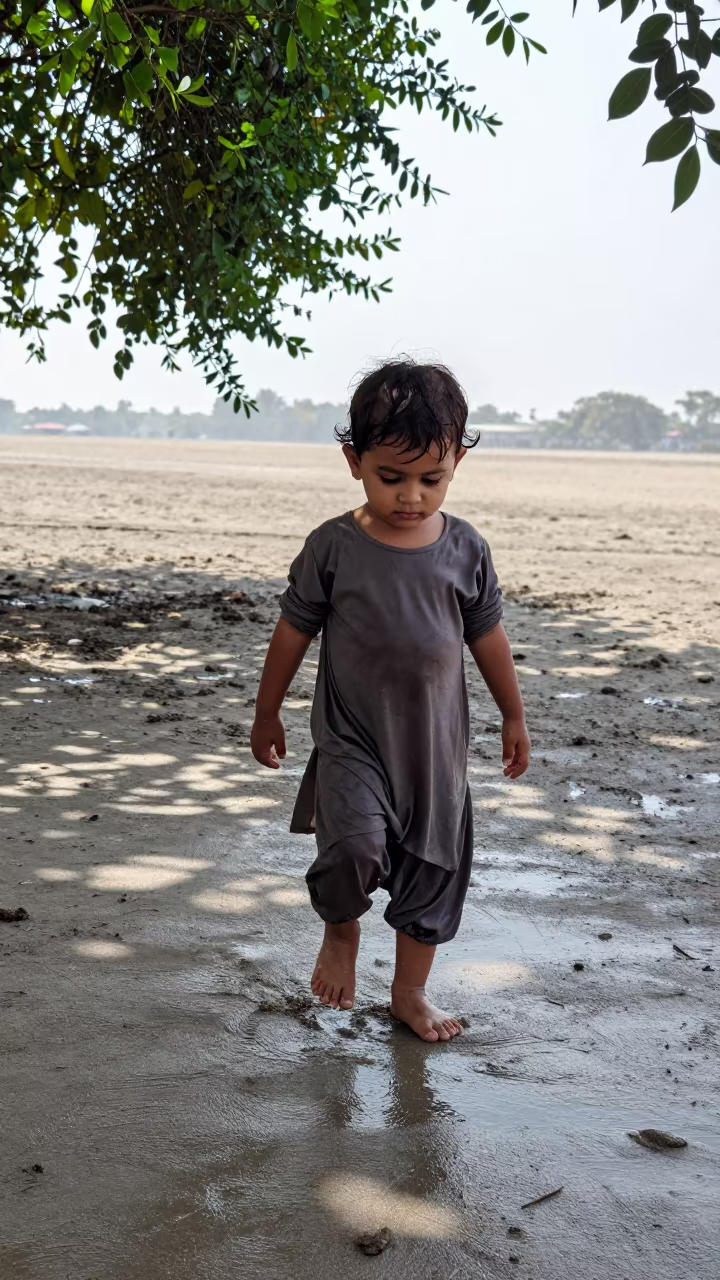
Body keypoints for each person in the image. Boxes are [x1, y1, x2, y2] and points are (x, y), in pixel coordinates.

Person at [251, 359, 530, 1042]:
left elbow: (487, 636)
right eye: (391, 476)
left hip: (435, 754)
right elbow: (293, 632)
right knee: (352, 849)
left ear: (458, 460)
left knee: (431, 876)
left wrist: (514, 714)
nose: (412, 496)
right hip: (353, 742)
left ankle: (409, 994)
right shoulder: (333, 547)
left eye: (431, 479)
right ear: (354, 461)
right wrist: (267, 710)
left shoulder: (465, 549)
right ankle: (341, 932)